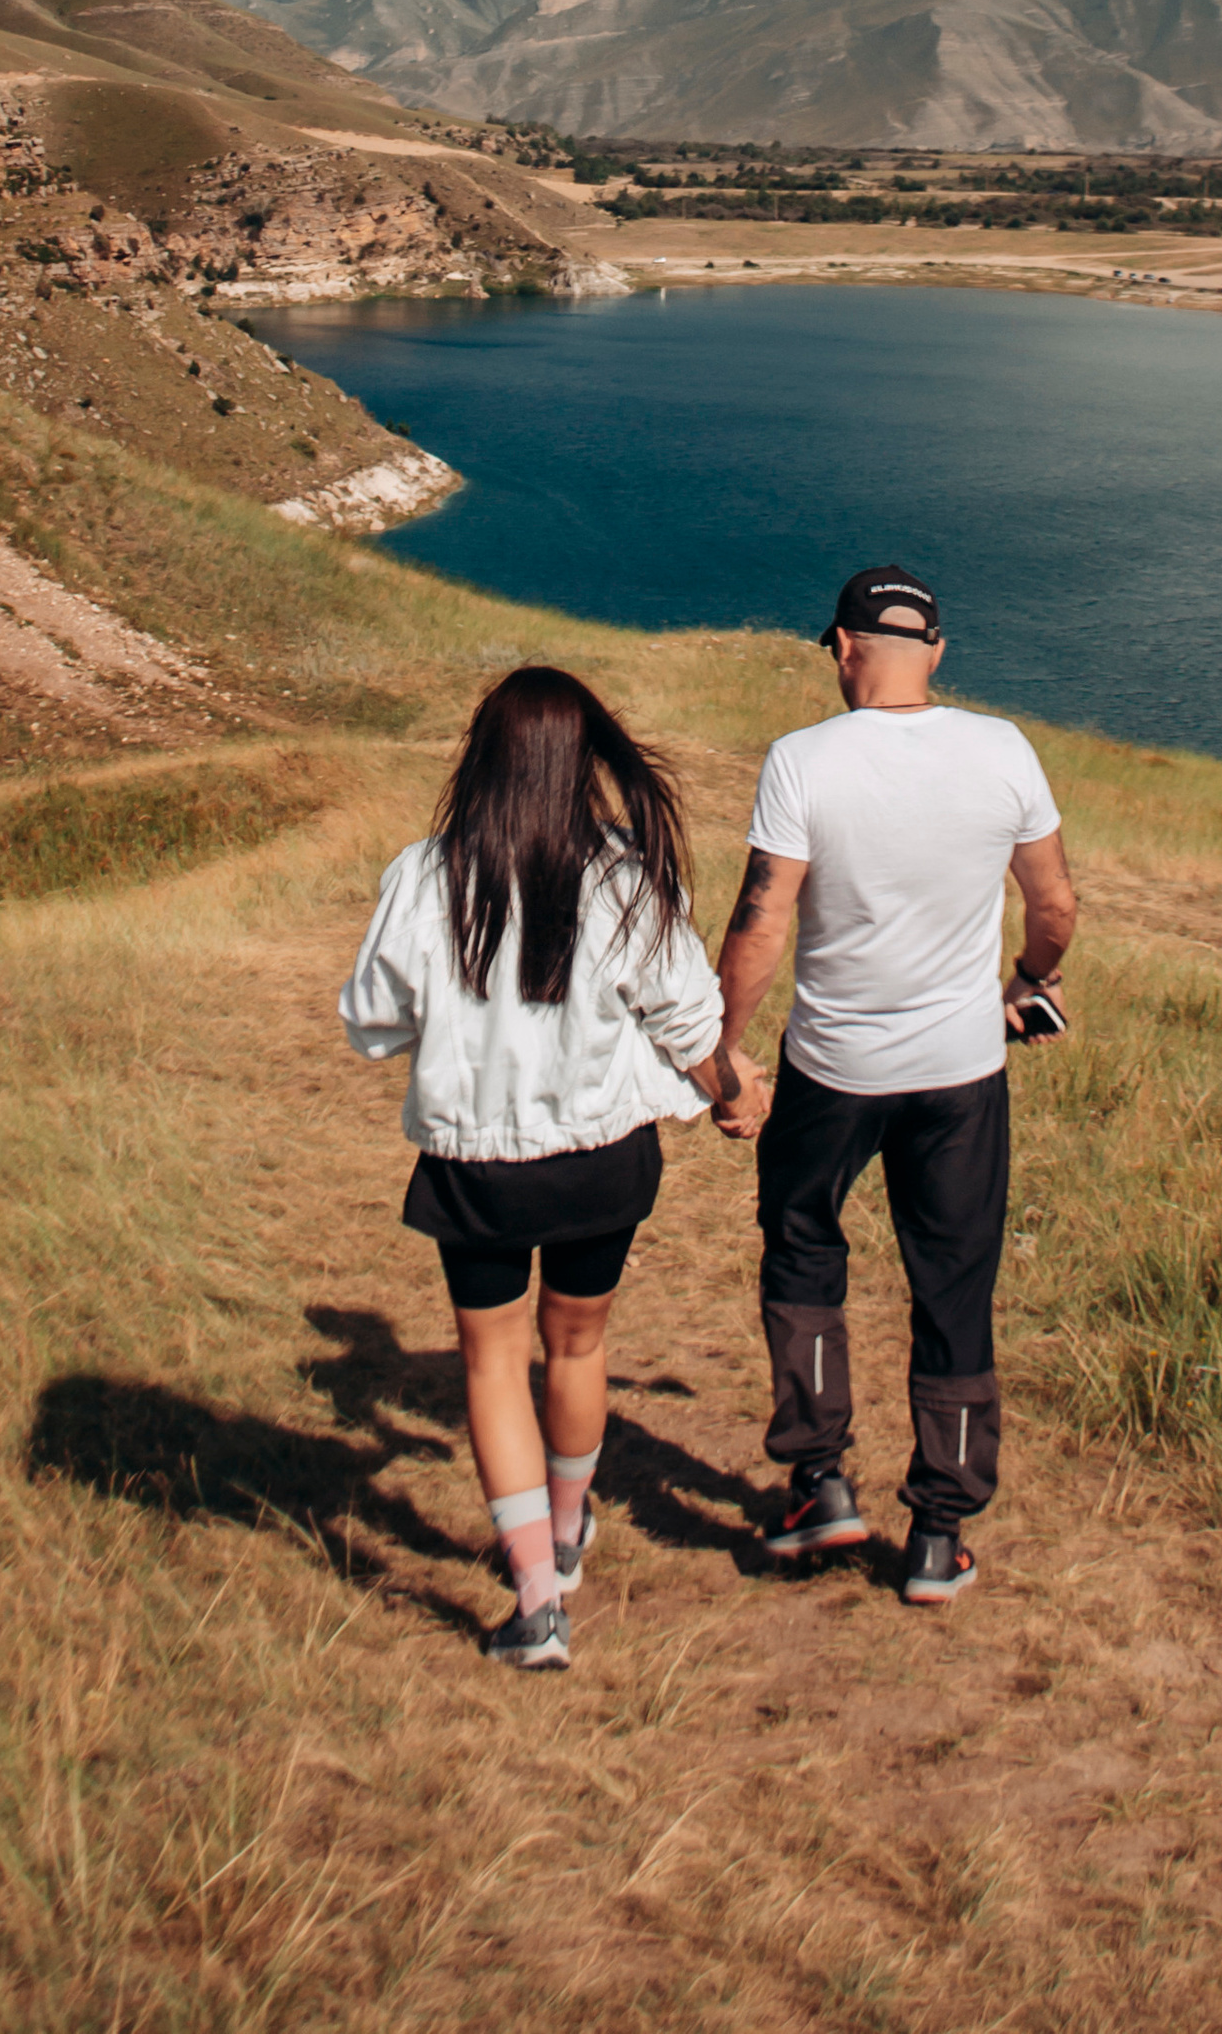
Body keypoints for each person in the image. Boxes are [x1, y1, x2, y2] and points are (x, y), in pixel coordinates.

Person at [340, 664, 769, 1669]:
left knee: (492, 1364)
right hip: (603, 1162)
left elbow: (372, 1021)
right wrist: (731, 1086)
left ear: (479, 761)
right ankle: (569, 1531)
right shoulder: (625, 879)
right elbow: (686, 1015)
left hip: (473, 1165)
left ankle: (535, 1601)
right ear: (587, 763)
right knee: (574, 1349)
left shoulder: (424, 874)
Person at [710, 563, 1076, 1605]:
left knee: (802, 1252)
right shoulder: (1003, 749)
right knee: (952, 1285)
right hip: (960, 1072)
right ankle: (937, 1534)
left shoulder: (800, 761)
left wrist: (723, 1057)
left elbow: (761, 925)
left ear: (840, 647)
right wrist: (1032, 983)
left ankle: (820, 1482)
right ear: (939, 654)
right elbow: (1053, 905)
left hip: (831, 1069)